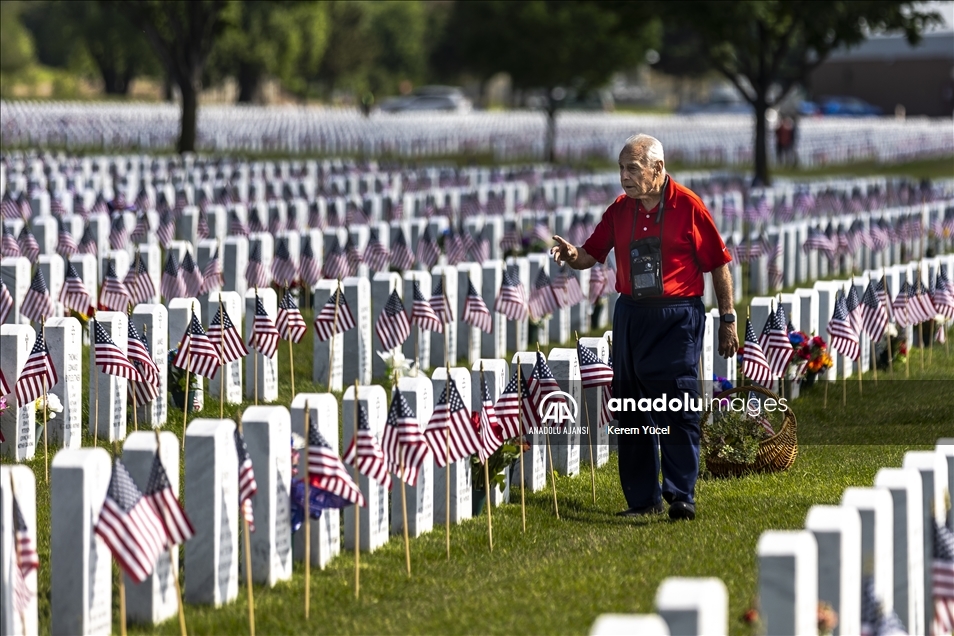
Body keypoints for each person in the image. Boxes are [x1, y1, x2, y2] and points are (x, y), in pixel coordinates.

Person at [550, 134, 738, 521]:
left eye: (632, 169)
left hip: (676, 316)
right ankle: (642, 498)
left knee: (677, 403)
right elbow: (592, 252)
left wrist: (728, 318)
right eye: (620, 169)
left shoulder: (688, 207)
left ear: (658, 169)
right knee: (631, 407)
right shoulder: (620, 209)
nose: (624, 177)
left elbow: (718, 263)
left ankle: (681, 493)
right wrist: (572, 256)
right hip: (632, 314)